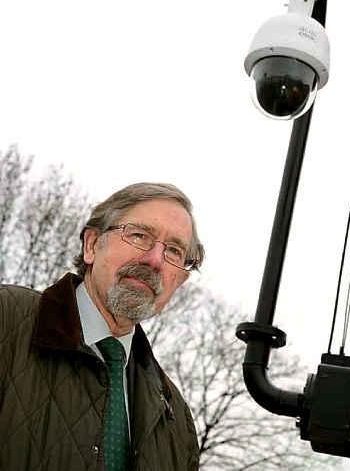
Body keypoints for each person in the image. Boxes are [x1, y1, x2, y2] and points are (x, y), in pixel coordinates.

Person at [0, 182, 205, 471]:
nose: (155, 260)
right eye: (139, 235)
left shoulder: (176, 418)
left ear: (180, 281)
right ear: (92, 245)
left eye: (173, 251)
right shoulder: (7, 318)